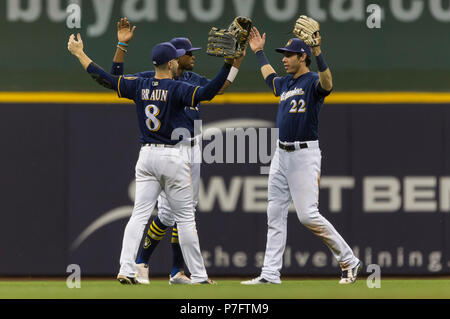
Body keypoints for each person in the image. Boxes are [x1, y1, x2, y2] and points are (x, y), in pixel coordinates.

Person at [67, 32, 233, 285]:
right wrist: (228, 63)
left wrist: (80, 54)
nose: (178, 62)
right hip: (173, 156)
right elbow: (209, 92)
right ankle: (198, 275)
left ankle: (126, 267)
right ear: (170, 63)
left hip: (146, 157)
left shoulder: (140, 85)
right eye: (175, 60)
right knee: (186, 218)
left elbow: (106, 78)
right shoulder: (177, 87)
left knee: (138, 215)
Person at [110, 17, 245, 285]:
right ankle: (143, 263)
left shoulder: (192, 78)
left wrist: (236, 59)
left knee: (180, 212)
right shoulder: (153, 78)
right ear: (175, 58)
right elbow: (116, 80)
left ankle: (175, 271)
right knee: (171, 213)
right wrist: (120, 48)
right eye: (188, 55)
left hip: (191, 149)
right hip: (169, 151)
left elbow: (221, 86)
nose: (193, 58)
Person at [241, 26, 361, 285]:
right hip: (281, 155)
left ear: (302, 57)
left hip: (304, 155)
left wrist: (319, 53)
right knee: (274, 214)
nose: (284, 58)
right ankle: (270, 274)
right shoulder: (286, 82)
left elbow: (328, 84)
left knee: (307, 215)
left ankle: (349, 261)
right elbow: (269, 79)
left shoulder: (312, 81)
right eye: (283, 54)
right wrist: (259, 53)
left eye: (289, 54)